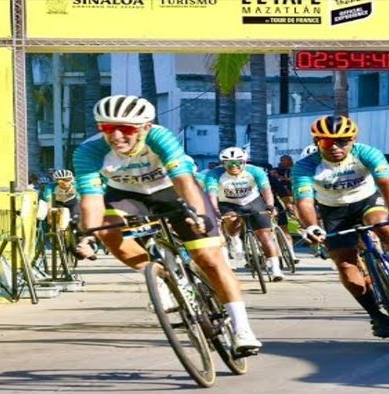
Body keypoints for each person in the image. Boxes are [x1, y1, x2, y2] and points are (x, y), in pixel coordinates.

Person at [73, 95, 262, 353]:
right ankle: (159, 274)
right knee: (105, 229)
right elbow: (91, 200)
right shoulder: (88, 151)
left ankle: (242, 329)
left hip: (171, 189)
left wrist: (198, 215)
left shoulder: (160, 137)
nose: (116, 136)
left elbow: (184, 181)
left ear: (145, 127)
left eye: (126, 128)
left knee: (209, 259)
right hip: (127, 194)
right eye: (107, 128)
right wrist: (87, 235)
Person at [292, 114, 389, 339]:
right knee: (345, 266)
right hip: (334, 211)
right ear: (317, 142)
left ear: (353, 140)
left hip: (368, 201)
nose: (335, 147)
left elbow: (386, 182)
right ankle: (377, 315)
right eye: (327, 141)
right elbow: (304, 201)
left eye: (343, 141)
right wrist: (312, 226)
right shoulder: (305, 166)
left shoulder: (367, 153)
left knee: (381, 223)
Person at [205, 148, 285, 282]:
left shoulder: (255, 171)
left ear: (244, 162)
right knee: (232, 219)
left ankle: (276, 269)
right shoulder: (214, 174)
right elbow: (212, 194)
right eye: (229, 163)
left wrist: (270, 205)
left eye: (238, 163)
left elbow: (266, 190)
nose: (234, 166)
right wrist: (215, 210)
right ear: (223, 164)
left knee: (265, 236)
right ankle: (234, 238)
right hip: (228, 203)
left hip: (253, 201)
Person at [41, 169, 98, 260]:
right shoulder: (50, 187)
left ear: (72, 180)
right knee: (56, 218)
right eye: (61, 181)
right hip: (58, 203)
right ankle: (59, 238)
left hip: (72, 203)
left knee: (77, 219)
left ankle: (81, 240)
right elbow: (49, 203)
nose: (64, 183)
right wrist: (50, 213)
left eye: (67, 180)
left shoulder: (76, 186)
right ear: (56, 182)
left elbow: (82, 200)